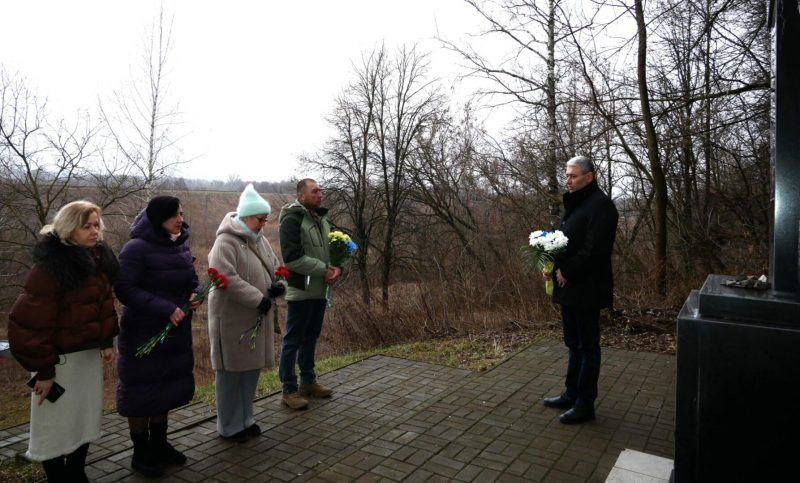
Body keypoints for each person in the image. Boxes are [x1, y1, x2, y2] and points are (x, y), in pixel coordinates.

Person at [8, 200, 119, 482]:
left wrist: (106, 340)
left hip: (87, 359)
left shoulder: (98, 260)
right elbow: (29, 325)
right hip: (58, 363)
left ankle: (76, 473)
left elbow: (104, 304)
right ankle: (58, 478)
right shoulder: (50, 268)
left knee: (84, 418)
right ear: (70, 228)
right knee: (54, 427)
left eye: (97, 225)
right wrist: (44, 371)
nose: (95, 231)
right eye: (87, 226)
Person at [115, 196, 201, 477]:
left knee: (164, 389)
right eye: (175, 214)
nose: (181, 219)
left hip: (173, 334)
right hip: (143, 332)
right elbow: (124, 289)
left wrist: (194, 294)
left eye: (182, 213)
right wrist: (165, 308)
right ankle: (141, 454)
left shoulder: (179, 246)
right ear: (158, 218)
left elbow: (191, 278)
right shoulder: (135, 249)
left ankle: (160, 444)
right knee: (141, 392)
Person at [542, 155, 619, 424]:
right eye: (566, 175)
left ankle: (586, 404)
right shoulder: (577, 203)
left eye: (573, 176)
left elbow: (596, 250)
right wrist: (550, 260)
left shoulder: (602, 206)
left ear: (590, 176)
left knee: (588, 347)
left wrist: (568, 271)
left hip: (587, 288)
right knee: (573, 344)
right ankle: (571, 393)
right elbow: (568, 241)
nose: (568, 180)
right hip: (569, 287)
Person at [207, 184, 286, 441]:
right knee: (231, 375)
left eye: (265, 219)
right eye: (260, 219)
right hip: (231, 320)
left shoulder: (259, 240)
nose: (264, 224)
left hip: (255, 318)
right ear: (246, 216)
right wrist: (258, 299)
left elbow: (276, 268)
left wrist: (278, 286)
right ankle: (229, 426)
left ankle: (245, 419)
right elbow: (226, 278)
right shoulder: (225, 242)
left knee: (249, 373)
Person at [277, 179, 340, 410]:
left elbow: (327, 252)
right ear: (301, 196)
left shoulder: (321, 219)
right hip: (301, 290)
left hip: (319, 290)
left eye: (321, 190)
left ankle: (308, 382)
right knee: (292, 341)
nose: (320, 194)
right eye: (315, 191)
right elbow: (292, 258)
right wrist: (324, 270)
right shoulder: (292, 220)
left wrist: (335, 266)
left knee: (310, 337)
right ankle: (289, 390)